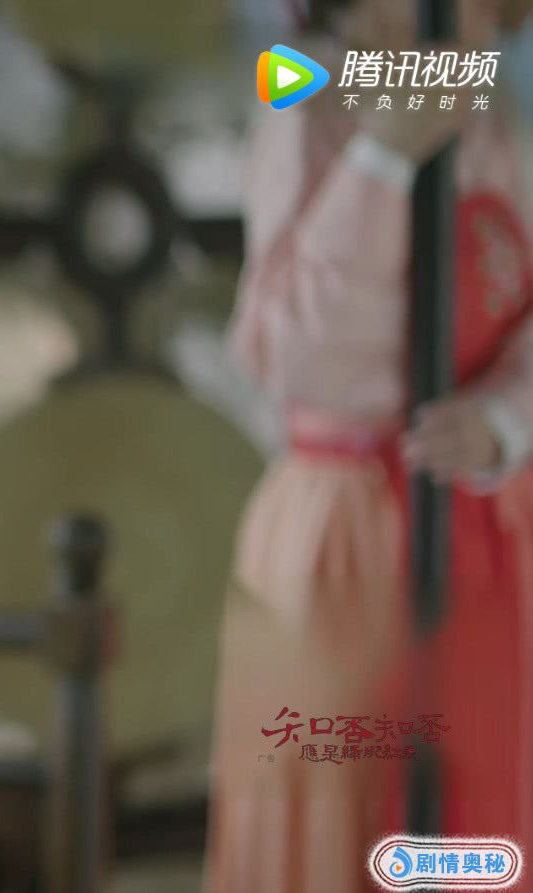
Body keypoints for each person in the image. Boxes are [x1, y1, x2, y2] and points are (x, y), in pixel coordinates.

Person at [205, 1, 533, 890]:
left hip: (488, 516)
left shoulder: (490, 115)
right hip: (345, 528)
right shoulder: (301, 97)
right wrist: (383, 156)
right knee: (341, 804)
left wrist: (506, 419)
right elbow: (294, 353)